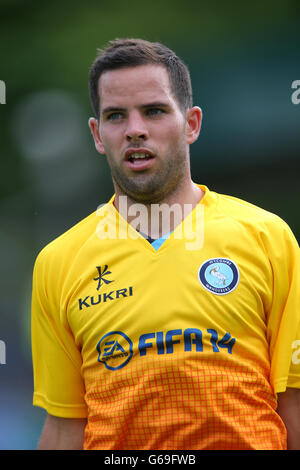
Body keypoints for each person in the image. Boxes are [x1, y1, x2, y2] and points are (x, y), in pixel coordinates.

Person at [31, 38, 300, 450]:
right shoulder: (58, 262)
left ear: (191, 123)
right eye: (115, 116)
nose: (135, 129)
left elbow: (293, 405)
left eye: (154, 111)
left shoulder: (268, 238)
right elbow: (65, 427)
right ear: (98, 134)